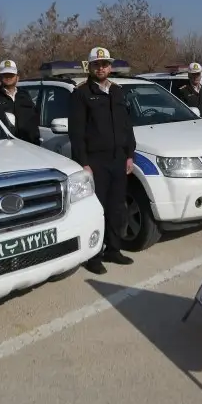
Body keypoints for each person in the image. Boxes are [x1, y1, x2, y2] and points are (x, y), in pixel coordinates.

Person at [68, 47, 136, 275]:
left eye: (105, 64)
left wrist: (129, 154)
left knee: (117, 208)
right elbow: (76, 132)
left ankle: (113, 250)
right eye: (97, 64)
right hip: (95, 162)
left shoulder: (117, 91)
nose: (101, 68)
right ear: (90, 67)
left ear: (110, 67)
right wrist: (83, 162)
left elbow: (127, 126)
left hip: (118, 159)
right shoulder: (81, 93)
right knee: (97, 209)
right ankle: (94, 255)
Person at [0, 59, 40, 145]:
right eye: (5, 75)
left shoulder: (25, 96)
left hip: (29, 147)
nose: (8, 77)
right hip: (3, 149)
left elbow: (34, 122)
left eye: (11, 74)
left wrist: (36, 140)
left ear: (17, 77)